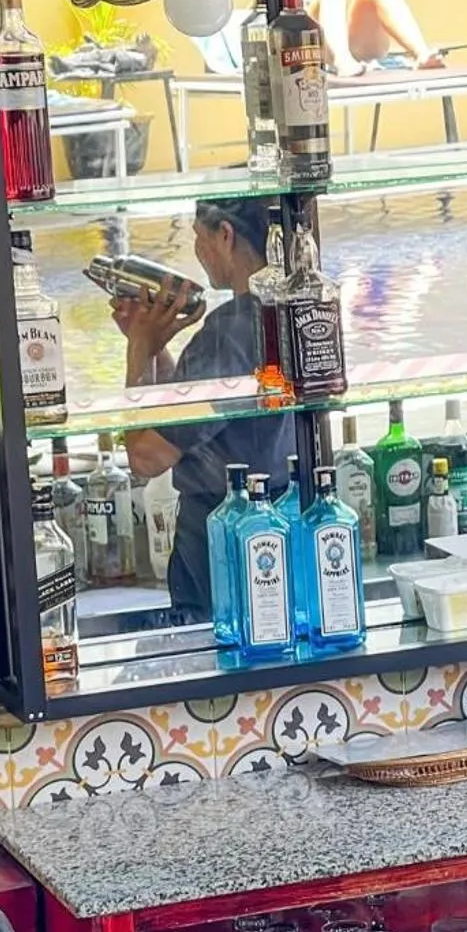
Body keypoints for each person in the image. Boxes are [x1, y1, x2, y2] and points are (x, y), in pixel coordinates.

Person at [114, 196, 295, 624]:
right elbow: (194, 420)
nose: (197, 252)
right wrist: (156, 348)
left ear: (226, 235)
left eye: (199, 238)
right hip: (280, 528)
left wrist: (139, 348)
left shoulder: (230, 329)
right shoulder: (286, 311)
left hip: (220, 544)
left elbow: (146, 456)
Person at [198, 0, 449, 78]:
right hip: (303, 49)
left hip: (341, 44)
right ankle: (342, 61)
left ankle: (421, 54)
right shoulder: (258, 8)